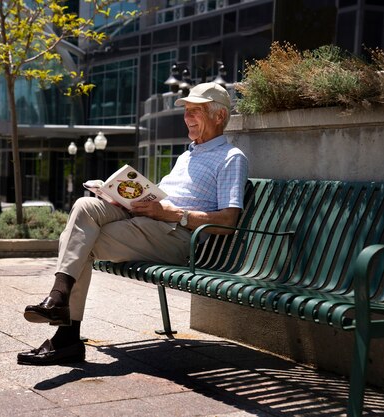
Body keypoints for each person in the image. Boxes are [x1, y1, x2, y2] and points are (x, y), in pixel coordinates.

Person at [17, 82, 248, 365]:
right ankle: (59, 300)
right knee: (85, 205)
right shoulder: (188, 154)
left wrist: (173, 214)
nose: (187, 118)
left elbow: (228, 220)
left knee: (81, 241)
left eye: (195, 112)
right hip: (149, 222)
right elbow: (162, 197)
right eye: (186, 111)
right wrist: (120, 199)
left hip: (177, 236)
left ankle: (64, 331)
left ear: (219, 116)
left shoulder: (230, 158)